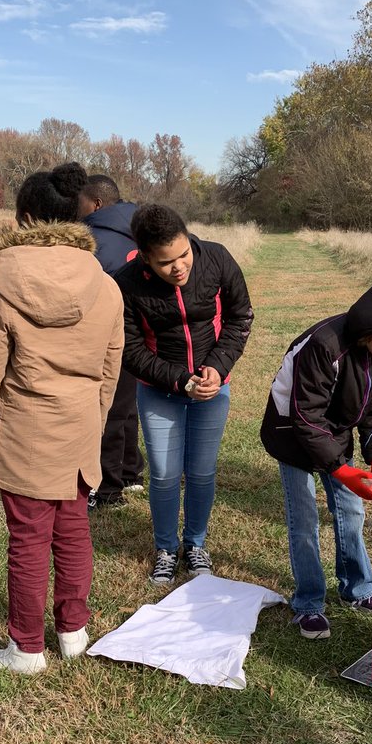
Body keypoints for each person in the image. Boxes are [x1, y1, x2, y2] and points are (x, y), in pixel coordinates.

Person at [0, 166, 124, 675]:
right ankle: (73, 631)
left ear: (25, 219)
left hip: (25, 433)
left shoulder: (1, 285)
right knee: (73, 530)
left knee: (28, 539)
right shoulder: (106, 284)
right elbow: (110, 370)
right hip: (78, 429)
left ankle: (26, 647)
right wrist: (92, 422)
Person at [260, 276, 372, 639]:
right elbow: (305, 416)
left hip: (332, 431)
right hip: (292, 433)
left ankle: (358, 589)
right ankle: (307, 604)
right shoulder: (324, 345)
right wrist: (341, 470)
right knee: (303, 519)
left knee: (351, 510)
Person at [119, 203, 253, 585]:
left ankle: (195, 544)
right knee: (163, 474)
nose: (179, 267)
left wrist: (218, 367)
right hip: (160, 391)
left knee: (201, 471)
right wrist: (180, 381)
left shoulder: (216, 258)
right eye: (166, 263)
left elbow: (241, 315)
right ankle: (166, 548)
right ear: (145, 257)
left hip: (213, 388)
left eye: (183, 255)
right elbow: (130, 350)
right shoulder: (126, 283)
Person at [75, 174, 145, 509]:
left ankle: (107, 488)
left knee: (110, 411)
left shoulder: (88, 239)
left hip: (109, 335)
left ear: (97, 204)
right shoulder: (145, 226)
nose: (78, 208)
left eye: (82, 202)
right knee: (127, 406)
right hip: (145, 335)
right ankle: (131, 473)